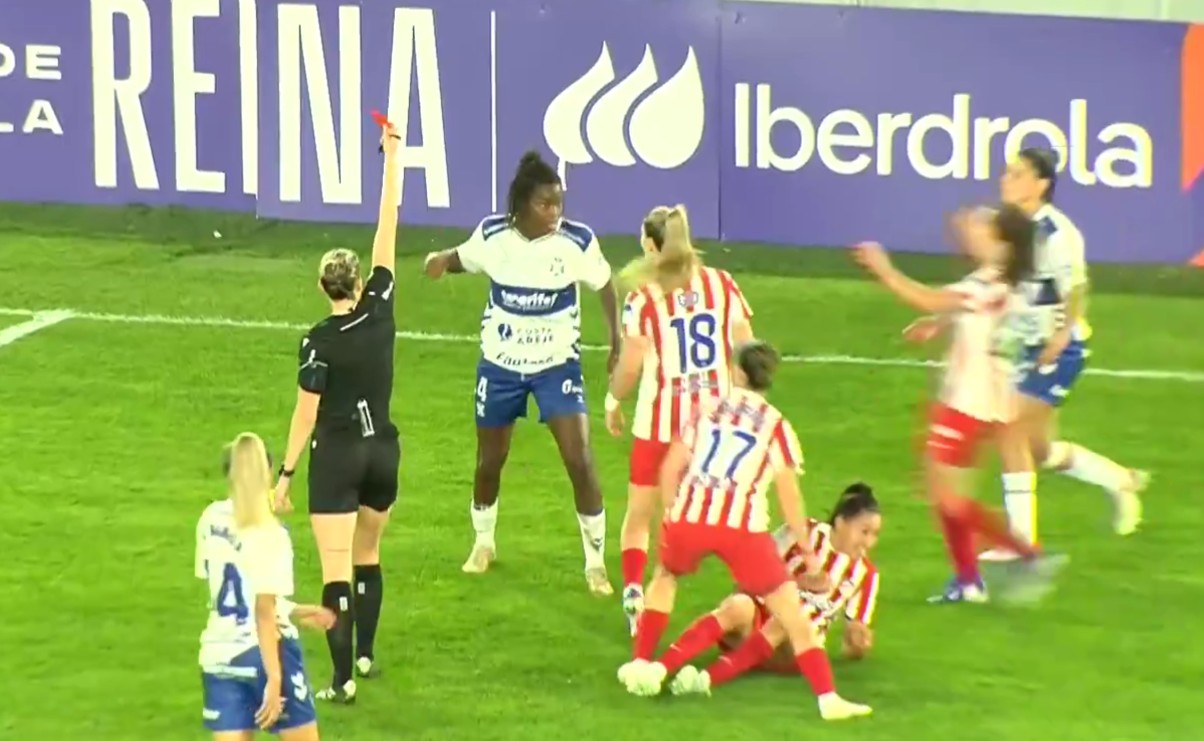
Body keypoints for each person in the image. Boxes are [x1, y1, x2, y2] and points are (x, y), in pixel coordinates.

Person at [618, 340, 872, 721]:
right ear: (769, 379)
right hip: (742, 526)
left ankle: (643, 664)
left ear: (736, 372)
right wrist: (809, 557)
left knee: (666, 576)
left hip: (691, 513)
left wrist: (672, 513)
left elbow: (670, 467)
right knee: (792, 613)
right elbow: (790, 499)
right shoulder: (777, 426)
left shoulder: (705, 409)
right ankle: (828, 699)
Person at [423, 151, 622, 595]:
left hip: (556, 366)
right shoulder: (493, 236)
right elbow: (459, 258)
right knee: (490, 460)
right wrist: (437, 260)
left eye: (559, 203)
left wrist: (617, 340)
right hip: (501, 366)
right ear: (521, 204)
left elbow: (605, 284)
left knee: (579, 458)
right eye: (545, 204)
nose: (555, 212)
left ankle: (595, 563)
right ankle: (483, 543)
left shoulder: (577, 242)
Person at [852, 204, 1067, 604]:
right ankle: (970, 582)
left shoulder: (982, 285)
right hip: (988, 403)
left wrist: (883, 268)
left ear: (1003, 245)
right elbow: (977, 313)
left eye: (985, 227)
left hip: (965, 404)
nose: (974, 230)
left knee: (946, 496)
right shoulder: (1010, 282)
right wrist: (943, 323)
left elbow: (927, 298)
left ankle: (1023, 555)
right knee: (943, 495)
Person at [271, 123, 403, 703]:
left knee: (335, 568)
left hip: (339, 456)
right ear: (360, 282)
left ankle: (343, 679)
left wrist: (285, 476)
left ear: (322, 286)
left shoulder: (318, 340)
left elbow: (306, 415)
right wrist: (392, 158)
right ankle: (366, 654)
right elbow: (387, 225)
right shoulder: (381, 307)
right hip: (384, 451)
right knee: (369, 552)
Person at [981, 147, 1146, 558]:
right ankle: (1120, 480)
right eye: (1007, 172)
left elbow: (1077, 288)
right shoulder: (1007, 226)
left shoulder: (1057, 233)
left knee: (1010, 430)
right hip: (1024, 346)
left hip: (1058, 349)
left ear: (1041, 184)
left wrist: (1060, 335)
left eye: (1017, 174)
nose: (1006, 179)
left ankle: (1022, 541)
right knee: (1038, 450)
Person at [603, 204, 755, 634]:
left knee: (641, 513)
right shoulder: (722, 284)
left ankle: (636, 595)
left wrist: (612, 400)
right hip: (711, 427)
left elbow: (630, 365)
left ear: (653, 247)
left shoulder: (643, 299)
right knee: (715, 515)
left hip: (659, 424)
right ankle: (753, 594)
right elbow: (747, 348)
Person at [665, 483, 882, 696]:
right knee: (738, 605)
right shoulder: (803, 533)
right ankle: (662, 667)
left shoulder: (866, 574)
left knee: (788, 619)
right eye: (864, 532)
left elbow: (854, 637)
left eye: (874, 534)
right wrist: (795, 583)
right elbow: (750, 572)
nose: (869, 542)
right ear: (841, 522)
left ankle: (705, 680)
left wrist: (858, 643)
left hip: (794, 650)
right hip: (756, 624)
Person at [196, 433, 335, 741]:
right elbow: (263, 611)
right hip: (264, 654)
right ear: (267, 474)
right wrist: (274, 678)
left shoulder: (210, 520)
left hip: (219, 656)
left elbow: (233, 591)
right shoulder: (272, 535)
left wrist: (296, 610)